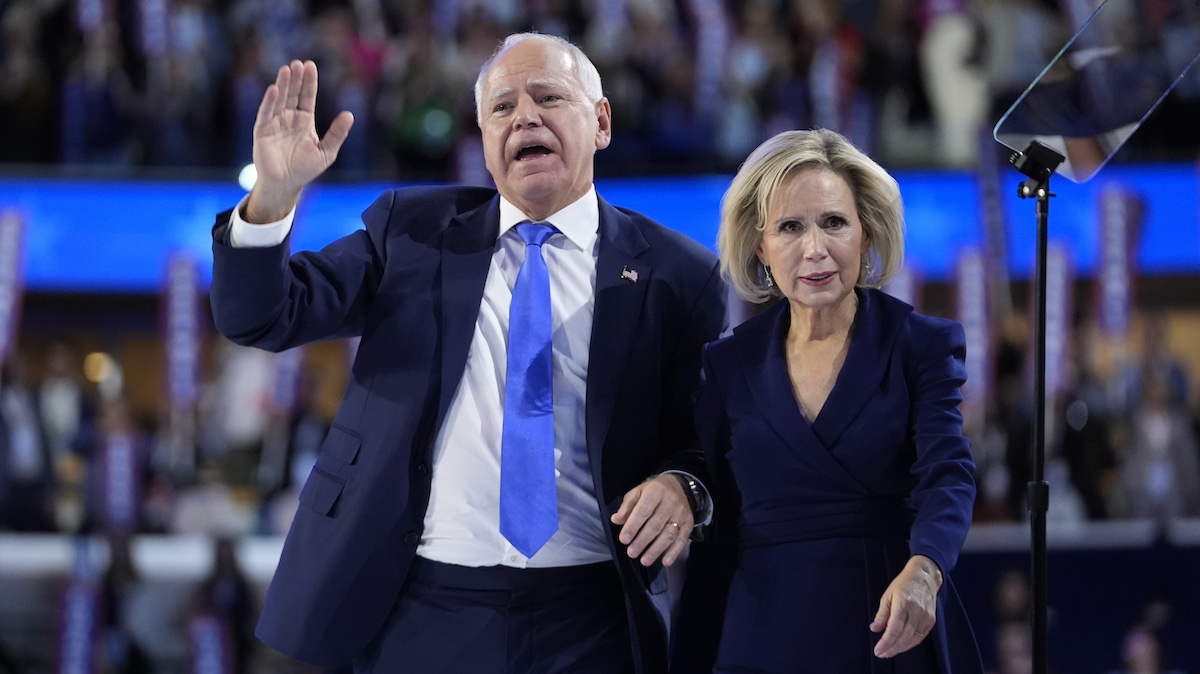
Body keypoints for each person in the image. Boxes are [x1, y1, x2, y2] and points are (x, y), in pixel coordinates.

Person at [208, 31, 727, 673]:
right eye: (502, 108)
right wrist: (272, 200)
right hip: (423, 607)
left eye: (547, 96)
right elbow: (260, 316)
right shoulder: (411, 234)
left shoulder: (680, 274)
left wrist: (684, 485)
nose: (525, 117)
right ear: (483, 143)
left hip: (594, 616)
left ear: (601, 122)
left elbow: (707, 440)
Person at [678, 128, 982, 672]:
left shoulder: (921, 345)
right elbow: (713, 512)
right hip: (759, 633)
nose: (814, 248)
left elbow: (949, 473)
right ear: (760, 246)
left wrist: (926, 568)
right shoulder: (727, 365)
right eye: (791, 227)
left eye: (834, 223)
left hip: (887, 625)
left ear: (866, 236)